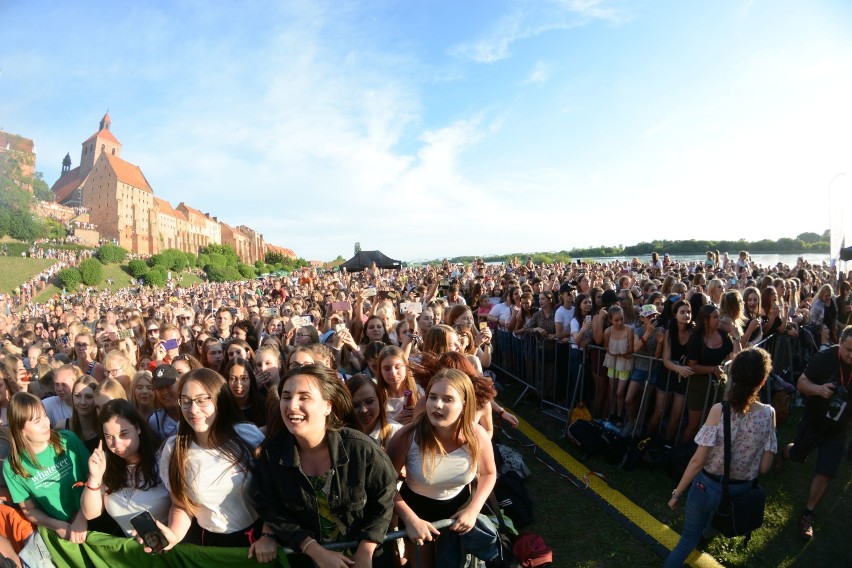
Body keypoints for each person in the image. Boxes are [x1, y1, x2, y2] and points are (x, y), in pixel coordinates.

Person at [252, 364, 397, 567]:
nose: (292, 405)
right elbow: (271, 508)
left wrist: (366, 548)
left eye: (304, 397)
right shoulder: (271, 456)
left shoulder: (360, 448)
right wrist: (314, 550)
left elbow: (384, 498)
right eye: (286, 396)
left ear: (328, 406)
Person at [665, 348, 777, 568]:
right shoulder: (768, 414)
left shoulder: (720, 410)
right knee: (716, 518)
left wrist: (677, 493)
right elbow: (764, 467)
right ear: (763, 381)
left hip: (706, 487)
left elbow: (697, 461)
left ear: (733, 375)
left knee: (686, 542)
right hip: (739, 492)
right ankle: (707, 533)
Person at [387, 368, 497, 568]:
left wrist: (473, 510)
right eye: (432, 397)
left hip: (458, 514)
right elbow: (385, 485)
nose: (437, 405)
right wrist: (409, 518)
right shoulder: (407, 436)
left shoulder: (477, 435)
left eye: (448, 399)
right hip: (416, 513)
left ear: (464, 404)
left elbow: (489, 473)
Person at [152, 368, 264, 550]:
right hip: (212, 546)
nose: (193, 409)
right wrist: (173, 535)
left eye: (203, 399)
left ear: (220, 400)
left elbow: (274, 494)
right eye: (186, 401)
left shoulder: (248, 435)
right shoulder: (174, 450)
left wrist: (269, 535)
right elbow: (181, 505)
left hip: (259, 541)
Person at [782, 325, 852, 541]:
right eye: (849, 349)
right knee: (796, 456)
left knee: (826, 472)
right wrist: (820, 390)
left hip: (837, 430)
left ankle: (807, 514)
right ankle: (782, 454)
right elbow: (801, 383)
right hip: (813, 421)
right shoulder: (825, 357)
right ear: (840, 343)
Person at [2, 392, 89, 543]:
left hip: (92, 519)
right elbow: (29, 509)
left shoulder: (68, 440)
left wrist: (82, 516)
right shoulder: (13, 467)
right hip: (61, 535)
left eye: (45, 416)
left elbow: (95, 479)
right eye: (37, 421)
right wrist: (58, 525)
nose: (46, 423)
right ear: (20, 428)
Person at [80, 400, 171, 536]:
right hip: (134, 552)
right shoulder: (104, 463)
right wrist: (95, 477)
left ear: (138, 428)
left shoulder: (163, 457)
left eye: (124, 434)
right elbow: (90, 513)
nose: (117, 444)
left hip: (175, 546)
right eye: (109, 437)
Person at [345, 374, 402, 451]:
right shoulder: (341, 435)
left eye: (369, 401)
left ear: (380, 400)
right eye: (356, 405)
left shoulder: (397, 433)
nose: (364, 410)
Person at [147, 365, 181, 440]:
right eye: (159, 388)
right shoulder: (155, 421)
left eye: (168, 386)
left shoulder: (195, 410)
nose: (164, 392)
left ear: (180, 383)